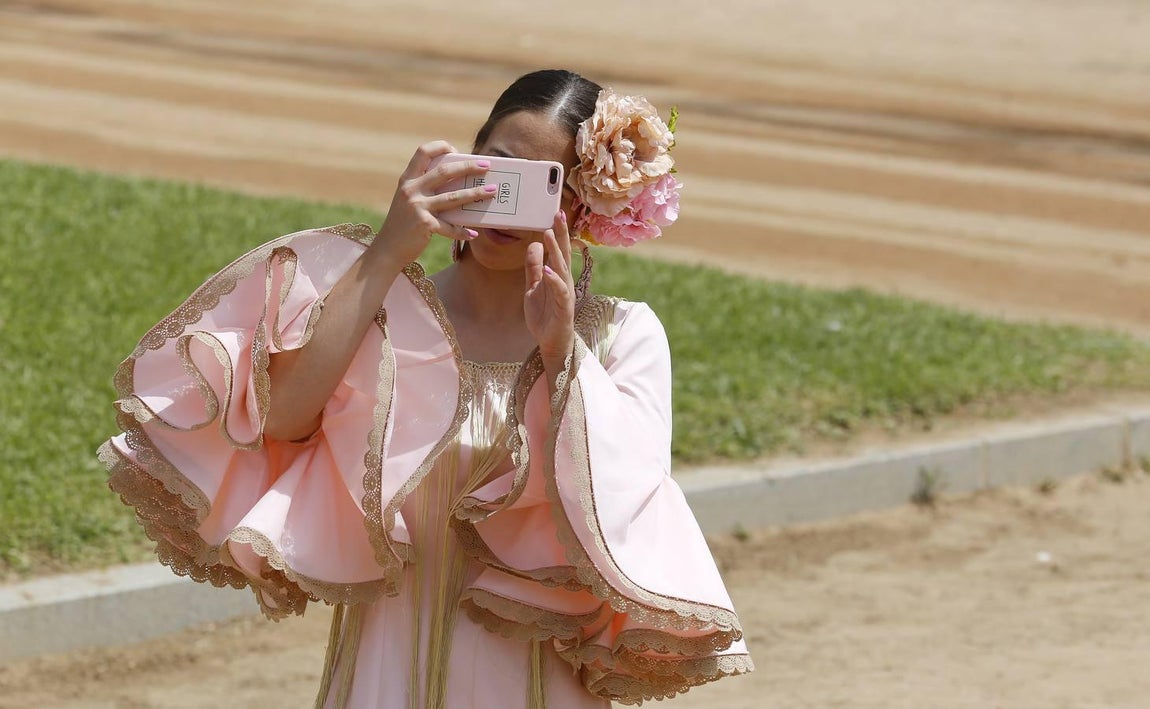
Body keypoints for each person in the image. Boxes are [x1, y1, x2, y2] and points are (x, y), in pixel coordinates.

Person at [99, 69, 752, 708]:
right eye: (496, 163)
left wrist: (559, 348)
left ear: (583, 204)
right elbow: (284, 421)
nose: (506, 198)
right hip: (381, 678)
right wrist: (387, 250)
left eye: (541, 182)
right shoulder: (379, 309)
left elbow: (622, 504)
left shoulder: (622, 337)